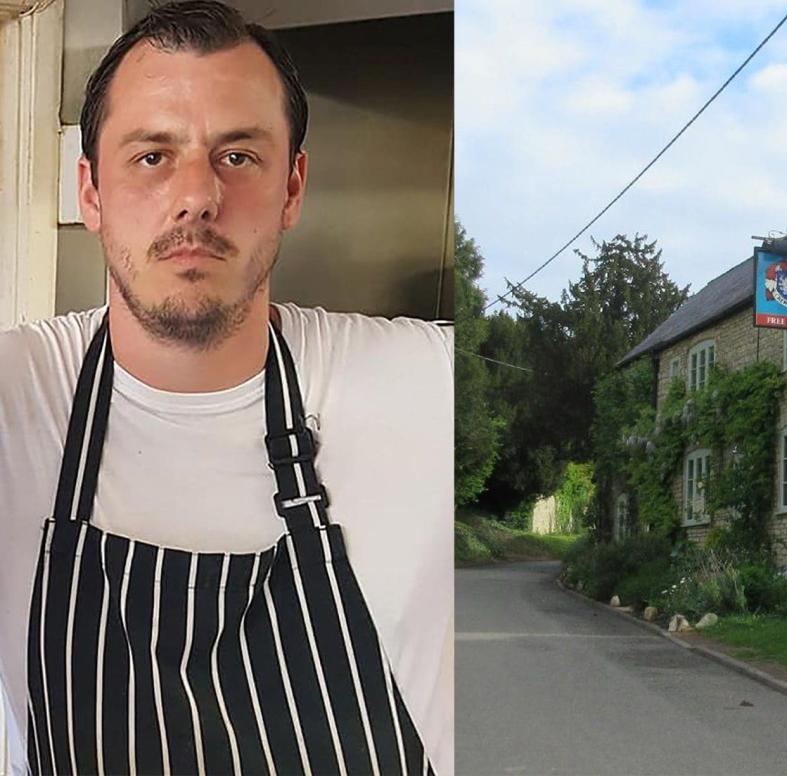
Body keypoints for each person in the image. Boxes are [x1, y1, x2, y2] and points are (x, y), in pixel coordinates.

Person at [0, 2, 453, 774]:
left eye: (237, 156)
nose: (196, 196)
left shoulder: (427, 383)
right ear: (91, 193)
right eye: (151, 156)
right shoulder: (20, 393)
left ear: (292, 186)